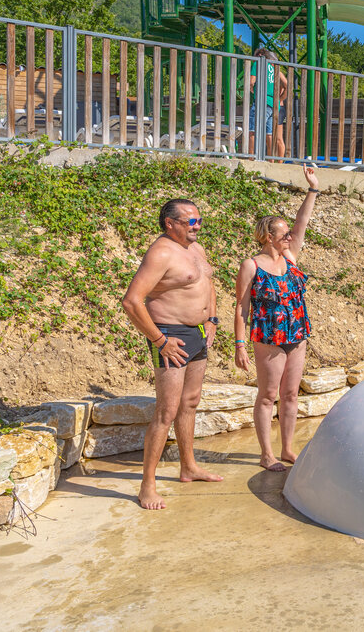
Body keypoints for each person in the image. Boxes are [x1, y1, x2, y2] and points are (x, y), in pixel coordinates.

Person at [121, 198, 224, 510]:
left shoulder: (196, 250)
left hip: (197, 333)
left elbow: (209, 284)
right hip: (171, 335)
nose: (197, 226)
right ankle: (147, 485)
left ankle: (188, 466)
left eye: (198, 220)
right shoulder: (161, 252)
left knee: (190, 403)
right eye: (190, 221)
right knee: (166, 411)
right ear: (170, 223)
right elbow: (131, 301)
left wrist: (213, 320)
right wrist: (160, 340)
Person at [233, 165, 320, 470]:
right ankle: (266, 454)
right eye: (284, 235)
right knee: (268, 395)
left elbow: (303, 220)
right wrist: (239, 345)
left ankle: (286, 448)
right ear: (269, 237)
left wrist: (312, 187)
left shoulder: (291, 256)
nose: (291, 237)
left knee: (290, 394)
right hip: (268, 337)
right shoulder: (251, 265)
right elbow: (242, 307)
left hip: (297, 334)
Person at [248, 48, 288, 156]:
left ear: (260, 55)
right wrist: (280, 99)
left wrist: (251, 89)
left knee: (253, 130)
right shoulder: (274, 68)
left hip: (262, 101)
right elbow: (287, 84)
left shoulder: (258, 64)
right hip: (273, 104)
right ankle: (271, 159)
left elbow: (251, 81)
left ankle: (251, 157)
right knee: (269, 134)